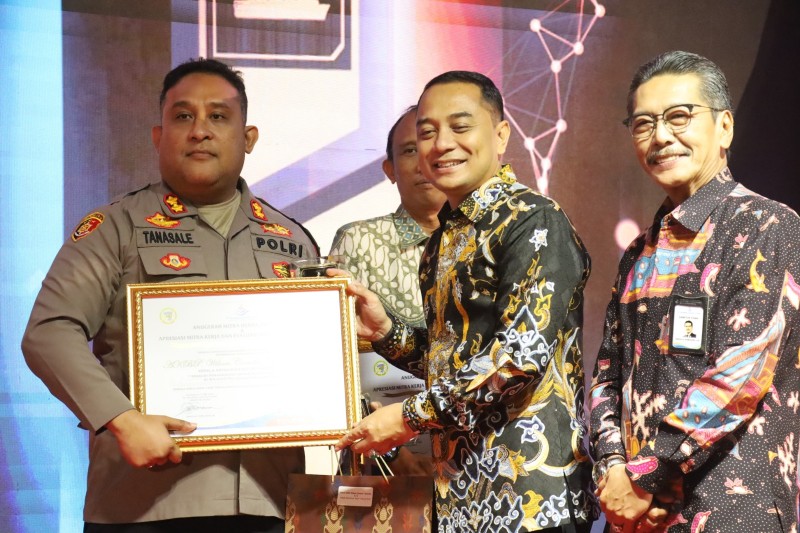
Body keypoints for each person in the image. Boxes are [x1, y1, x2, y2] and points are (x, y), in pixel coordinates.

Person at [21, 58, 318, 532]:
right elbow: (50, 332)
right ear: (159, 137)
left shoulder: (293, 240)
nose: (200, 130)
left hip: (270, 500)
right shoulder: (114, 227)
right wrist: (121, 419)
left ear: (248, 138)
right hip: (144, 503)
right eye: (183, 116)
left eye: (218, 116)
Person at [335, 71, 596, 532]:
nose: (441, 144)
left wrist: (409, 417)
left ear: (501, 135)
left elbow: (518, 358)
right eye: (427, 133)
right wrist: (387, 333)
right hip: (461, 496)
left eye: (460, 127)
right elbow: (455, 361)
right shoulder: (446, 238)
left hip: (529, 497)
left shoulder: (532, 220)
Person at [589, 50, 800, 533]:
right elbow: (606, 376)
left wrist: (644, 476)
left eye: (680, 116)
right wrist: (614, 471)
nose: (661, 136)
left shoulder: (770, 226)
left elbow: (740, 374)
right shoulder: (638, 251)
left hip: (732, 510)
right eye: (644, 123)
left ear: (724, 127)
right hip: (639, 518)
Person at [328, 105, 445, 475]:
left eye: (433, 146)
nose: (424, 160)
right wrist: (386, 448)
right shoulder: (358, 241)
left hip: (476, 457)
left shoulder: (492, 241)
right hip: (384, 457)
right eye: (409, 150)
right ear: (390, 169)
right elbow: (333, 360)